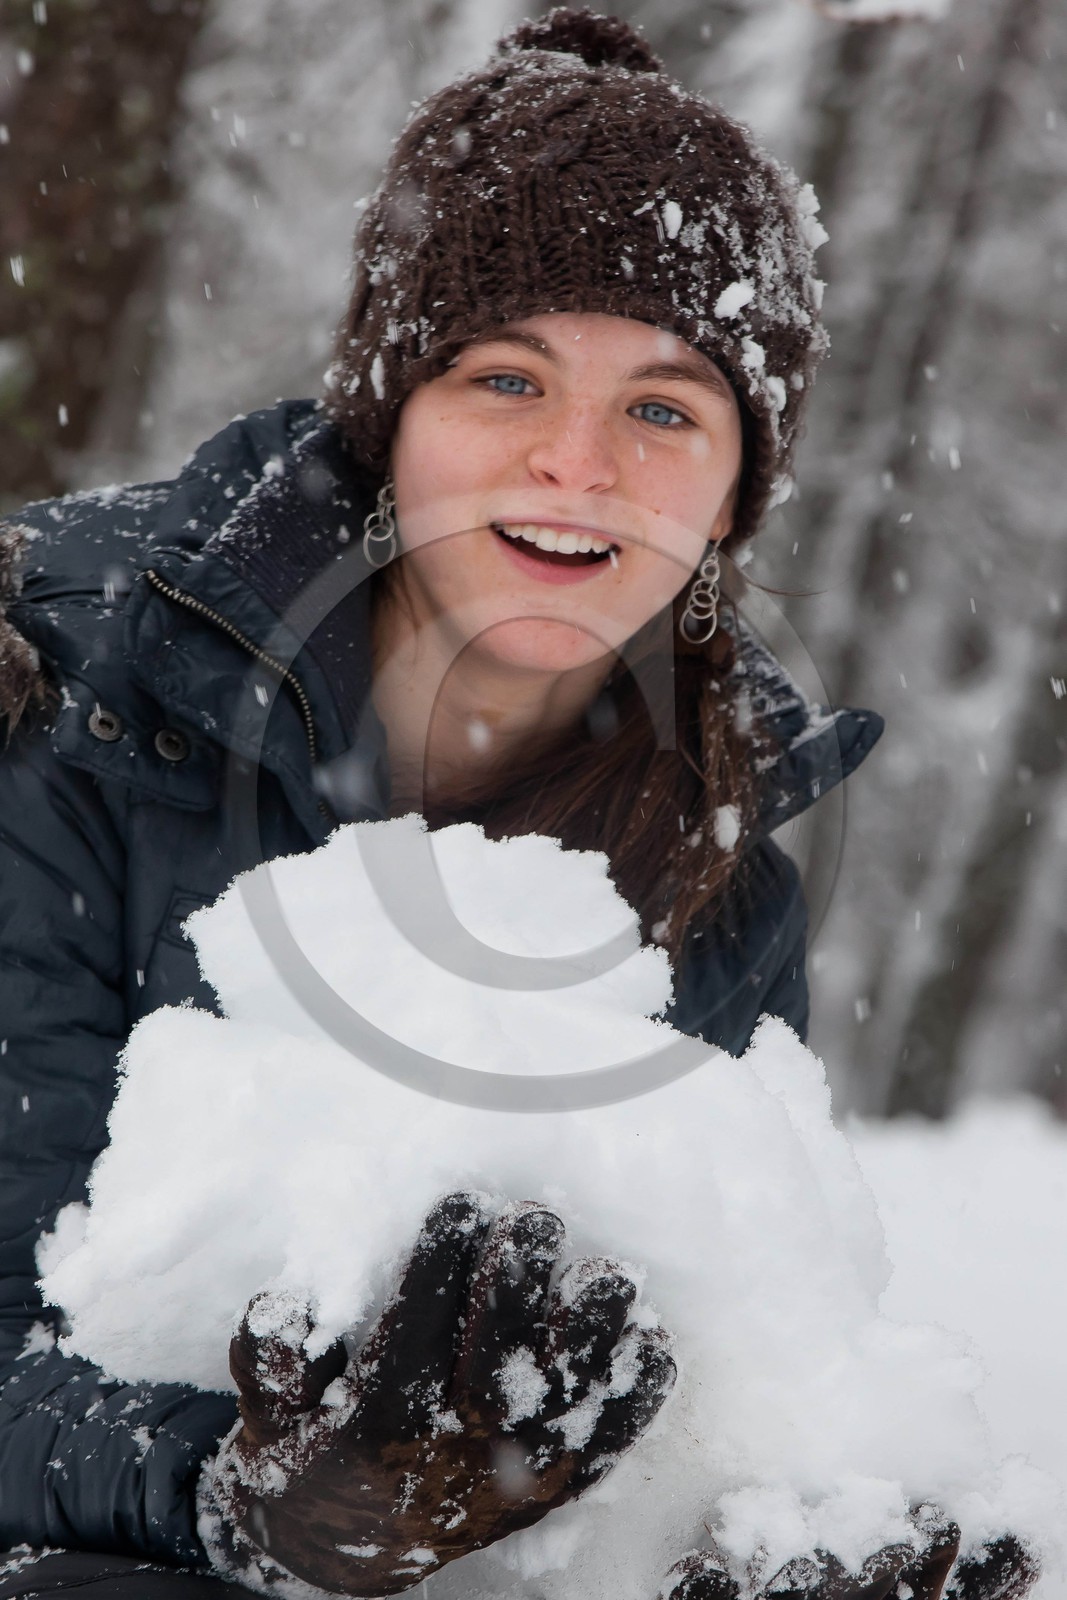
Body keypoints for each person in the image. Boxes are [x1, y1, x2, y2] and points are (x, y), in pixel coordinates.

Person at [0, 8, 1037, 1599]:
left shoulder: (723, 875)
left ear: (737, 485)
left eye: (666, 408)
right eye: (505, 377)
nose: (577, 464)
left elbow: (681, 1384)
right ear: (390, 409)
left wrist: (758, 1535)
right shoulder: (70, 694)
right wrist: (241, 1496)